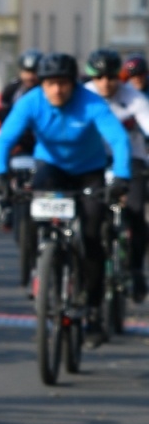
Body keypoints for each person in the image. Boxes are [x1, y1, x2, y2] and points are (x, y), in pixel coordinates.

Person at [0, 53, 132, 345]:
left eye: (64, 84)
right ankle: (41, 260)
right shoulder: (31, 102)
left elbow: (118, 139)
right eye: (51, 84)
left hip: (89, 172)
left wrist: (121, 177)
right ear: (42, 84)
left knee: (92, 235)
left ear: (74, 84)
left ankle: (92, 310)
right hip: (51, 168)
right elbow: (4, 139)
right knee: (30, 210)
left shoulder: (91, 102)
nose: (57, 90)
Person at [82, 49, 149, 302]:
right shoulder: (84, 95)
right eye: (99, 78)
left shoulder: (133, 98)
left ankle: (135, 268)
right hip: (95, 160)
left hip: (133, 159)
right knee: (92, 213)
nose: (105, 84)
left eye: (111, 77)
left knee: (134, 210)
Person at [0, 50, 43, 122]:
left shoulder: (47, 89)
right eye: (26, 72)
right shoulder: (12, 89)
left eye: (34, 72)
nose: (30, 77)